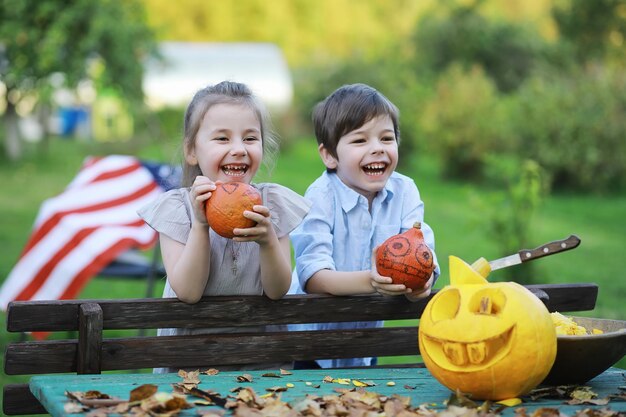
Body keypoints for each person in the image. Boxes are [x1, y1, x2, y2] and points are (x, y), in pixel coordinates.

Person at [138, 81, 310, 373]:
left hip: (260, 362)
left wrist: (268, 241)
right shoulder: (179, 209)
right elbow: (188, 292)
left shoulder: (271, 205)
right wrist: (201, 226)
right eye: (222, 139)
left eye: (250, 138)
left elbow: (278, 290)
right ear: (192, 151)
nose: (239, 149)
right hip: (190, 363)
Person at [289, 83, 439, 369]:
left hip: (367, 344)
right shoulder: (320, 197)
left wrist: (422, 280)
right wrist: (371, 281)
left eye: (386, 138)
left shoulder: (405, 191)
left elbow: (421, 250)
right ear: (330, 156)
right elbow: (314, 276)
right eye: (360, 141)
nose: (377, 149)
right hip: (310, 345)